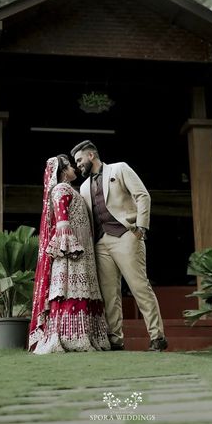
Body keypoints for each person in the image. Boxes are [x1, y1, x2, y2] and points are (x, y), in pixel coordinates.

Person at [70, 140, 168, 352]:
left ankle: (157, 337)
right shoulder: (84, 186)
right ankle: (116, 340)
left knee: (139, 287)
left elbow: (142, 196)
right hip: (100, 243)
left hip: (126, 235)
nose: (77, 165)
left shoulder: (119, 168)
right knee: (109, 294)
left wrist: (141, 227)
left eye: (79, 160)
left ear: (91, 156)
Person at [29, 154, 110, 354]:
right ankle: (70, 337)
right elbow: (63, 222)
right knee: (70, 290)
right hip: (72, 253)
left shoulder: (71, 190)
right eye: (71, 166)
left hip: (82, 248)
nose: (75, 168)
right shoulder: (61, 189)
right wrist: (70, 247)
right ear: (63, 171)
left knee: (83, 290)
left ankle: (84, 336)